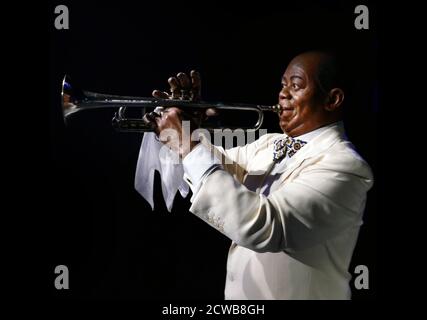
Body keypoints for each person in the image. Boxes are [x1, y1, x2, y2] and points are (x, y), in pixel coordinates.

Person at [144, 51, 374, 299]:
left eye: (295, 86)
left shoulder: (345, 165)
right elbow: (213, 168)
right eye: (283, 85)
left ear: (333, 99)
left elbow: (266, 225)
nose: (282, 94)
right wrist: (188, 129)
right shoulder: (269, 144)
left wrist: (186, 143)